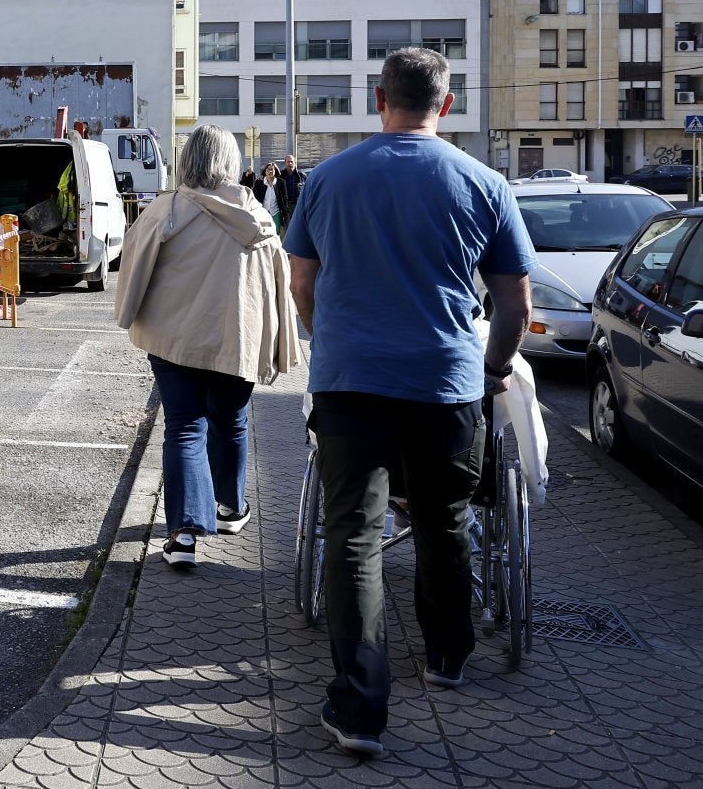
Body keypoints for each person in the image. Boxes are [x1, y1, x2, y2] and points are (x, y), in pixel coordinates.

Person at [284, 48, 533, 759]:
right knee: (444, 521)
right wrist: (493, 369)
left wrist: (329, 337)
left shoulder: (328, 179)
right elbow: (514, 303)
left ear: (378, 97)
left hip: (351, 381)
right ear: (446, 105)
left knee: (354, 535)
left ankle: (360, 708)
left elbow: (303, 283)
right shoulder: (484, 183)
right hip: (445, 385)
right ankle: (450, 657)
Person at [115, 125, 300, 568]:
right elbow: (278, 286)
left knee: (184, 428)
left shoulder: (167, 210)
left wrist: (127, 314)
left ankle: (183, 536)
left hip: (175, 340)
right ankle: (232, 509)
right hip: (238, 341)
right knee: (231, 420)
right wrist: (279, 344)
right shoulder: (256, 217)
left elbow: (132, 270)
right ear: (231, 162)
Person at [276, 153, 305, 228]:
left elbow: (307, 191)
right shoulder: (280, 175)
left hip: (297, 205)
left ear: (295, 163)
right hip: (284, 205)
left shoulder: (302, 176)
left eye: (291, 161)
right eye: (288, 162)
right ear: (285, 163)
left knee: (298, 226)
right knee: (286, 227)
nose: (290, 163)